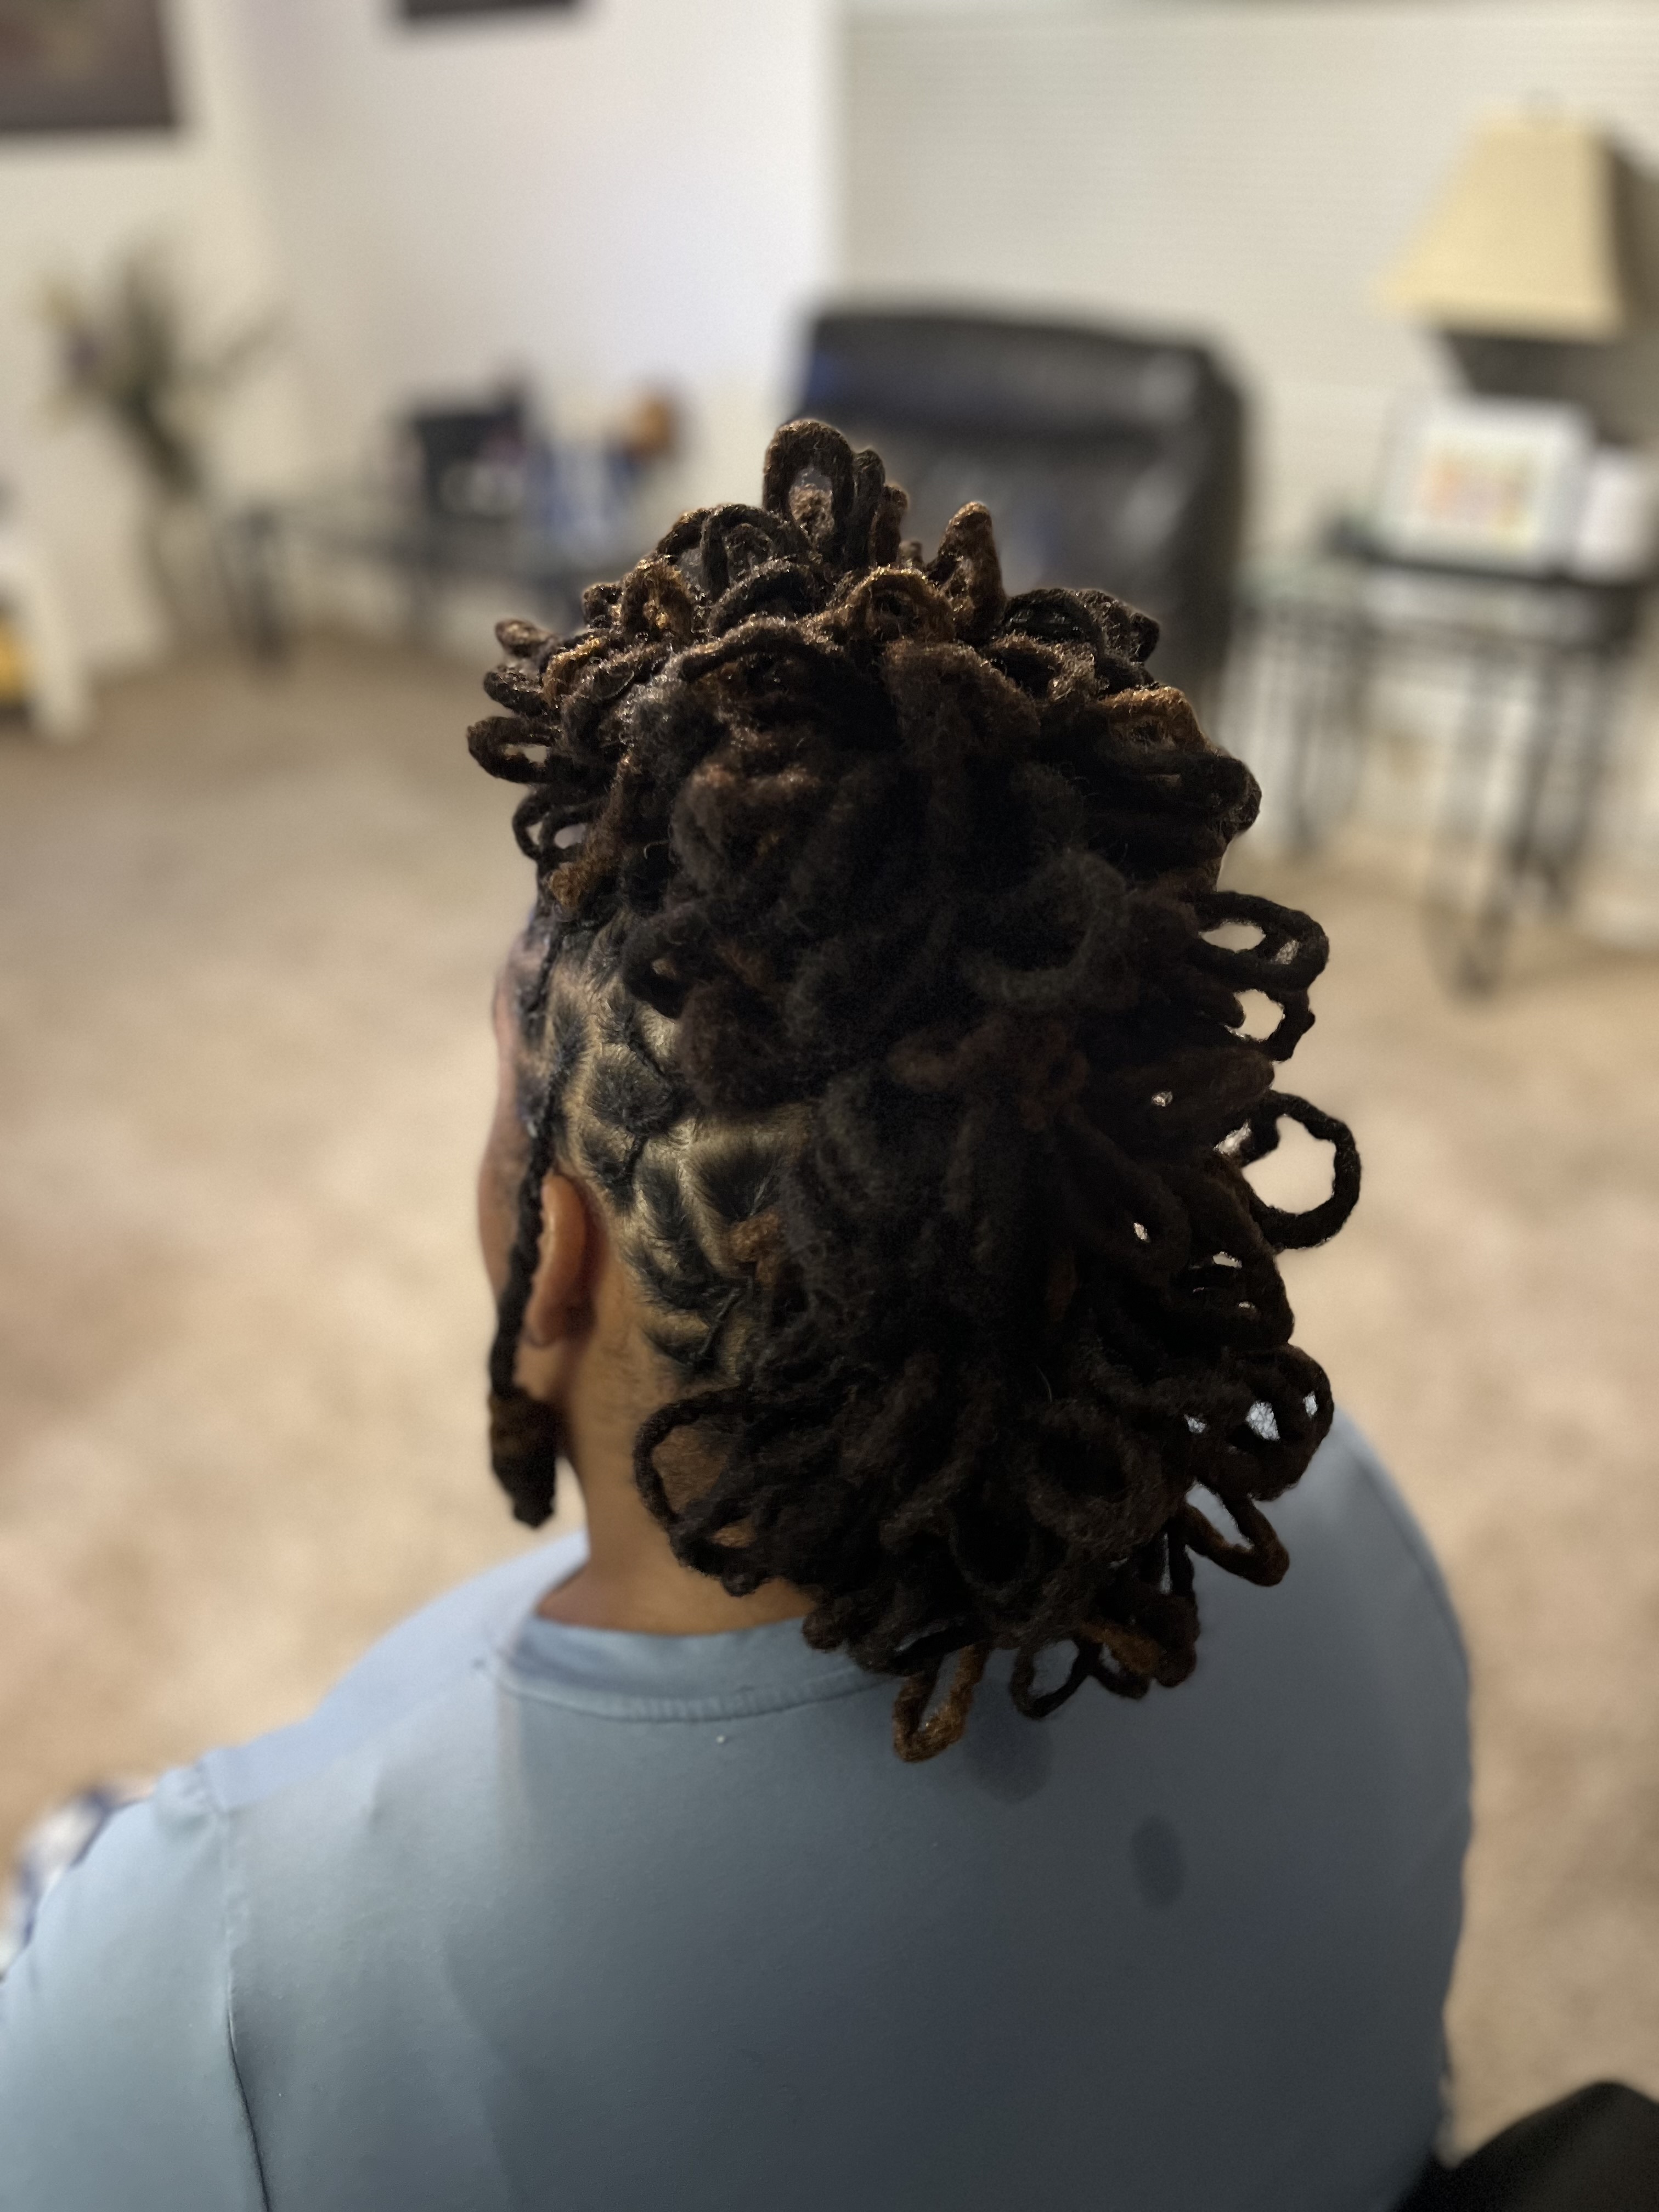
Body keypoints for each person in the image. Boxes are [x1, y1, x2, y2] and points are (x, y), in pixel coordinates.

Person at [0, 423, 1470, 2211]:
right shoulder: (1342, 1511)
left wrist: (106, 1935)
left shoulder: (213, 1978)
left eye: (506, 1112)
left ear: (556, 1258)